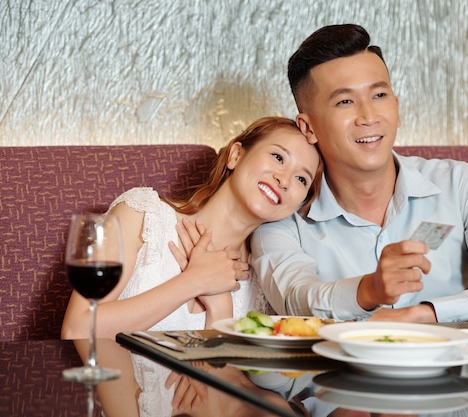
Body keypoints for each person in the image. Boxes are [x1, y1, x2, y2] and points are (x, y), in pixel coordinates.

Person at [250, 24, 468, 324]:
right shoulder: (281, 212)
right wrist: (367, 290)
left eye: (379, 95)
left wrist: (426, 313)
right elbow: (295, 299)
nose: (369, 117)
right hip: (335, 373)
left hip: (449, 370)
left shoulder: (458, 185)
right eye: (345, 102)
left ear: (396, 107)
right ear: (308, 127)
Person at [61, 116, 322, 416]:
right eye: (278, 157)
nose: (285, 179)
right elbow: (78, 326)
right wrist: (194, 281)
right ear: (236, 154)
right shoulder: (142, 215)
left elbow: (229, 393)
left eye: (302, 179)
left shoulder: (267, 282)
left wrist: (220, 311)